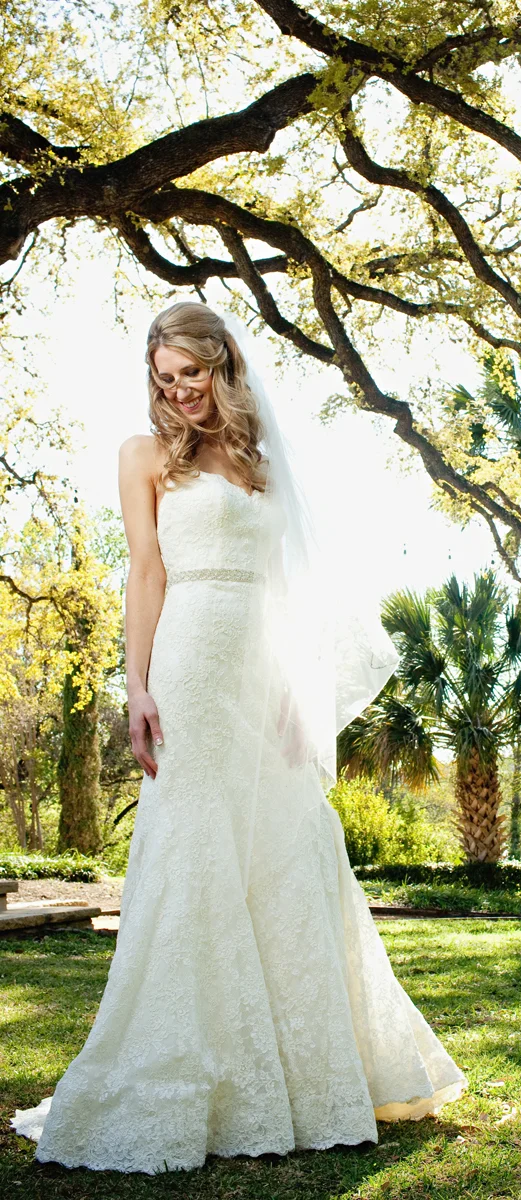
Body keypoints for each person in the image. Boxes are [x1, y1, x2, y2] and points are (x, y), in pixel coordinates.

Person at [11, 301, 466, 1173]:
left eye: (191, 373)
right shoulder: (141, 457)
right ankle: (188, 1072)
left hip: (260, 672)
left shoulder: (262, 460)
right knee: (192, 849)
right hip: (186, 661)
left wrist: (298, 687)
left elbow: (289, 587)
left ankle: (306, 1075)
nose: (178, 392)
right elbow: (145, 571)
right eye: (164, 378)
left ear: (224, 366)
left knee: (289, 846)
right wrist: (136, 685)